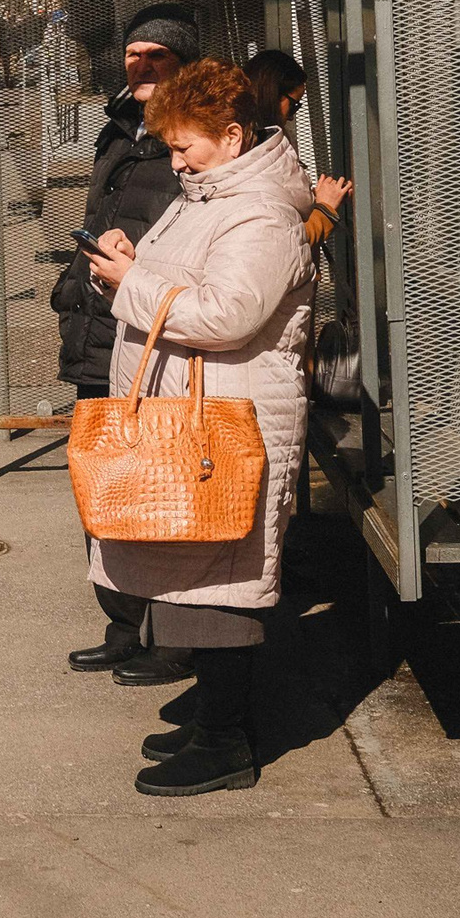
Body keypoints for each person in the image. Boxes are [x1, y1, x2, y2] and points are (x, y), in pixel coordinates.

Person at [80, 58, 317, 797]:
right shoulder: (212, 190)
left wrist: (133, 284)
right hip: (200, 420)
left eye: (187, 147)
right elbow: (182, 279)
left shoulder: (262, 211)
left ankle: (227, 741)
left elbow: (226, 314)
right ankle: (214, 721)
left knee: (224, 589)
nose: (176, 161)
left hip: (227, 428)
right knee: (201, 583)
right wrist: (126, 260)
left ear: (234, 134)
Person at [51, 4, 200, 687]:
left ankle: (171, 637)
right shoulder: (116, 130)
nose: (139, 67)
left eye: (156, 57)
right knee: (104, 488)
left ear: (183, 65)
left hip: (148, 335)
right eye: (133, 55)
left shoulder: (190, 141)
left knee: (157, 487)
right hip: (96, 329)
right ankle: (122, 624)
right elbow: (96, 218)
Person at [243, 50, 352, 245]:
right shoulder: (255, 151)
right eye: (293, 105)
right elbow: (287, 238)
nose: (292, 116)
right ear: (272, 94)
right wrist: (325, 208)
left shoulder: (251, 146)